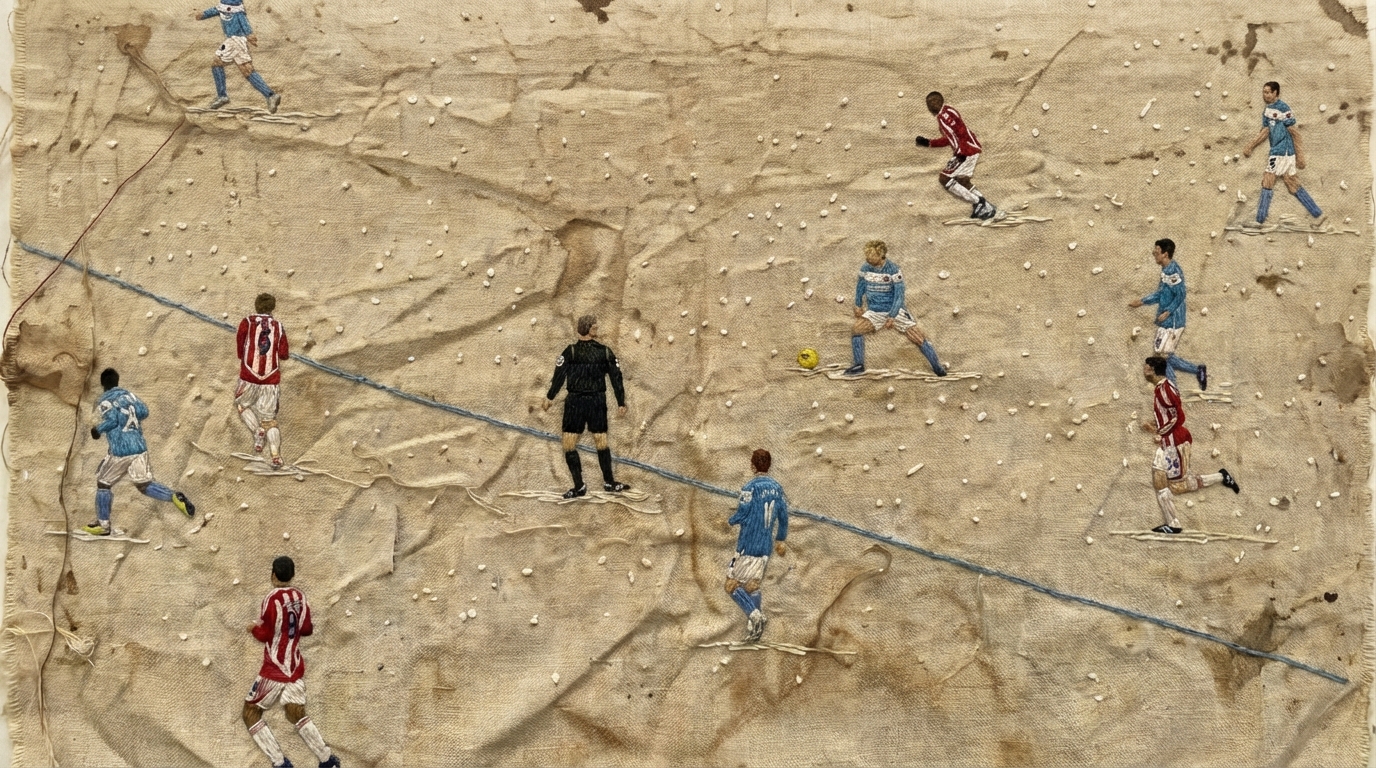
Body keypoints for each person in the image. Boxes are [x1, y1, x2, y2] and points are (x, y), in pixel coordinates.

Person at [243, 556, 341, 768]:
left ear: (273, 575)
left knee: (250, 713)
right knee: (295, 713)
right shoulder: (300, 596)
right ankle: (327, 760)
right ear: (293, 575)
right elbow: (307, 629)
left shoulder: (271, 599)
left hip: (274, 669)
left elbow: (266, 634)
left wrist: (253, 629)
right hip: (295, 666)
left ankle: (280, 763)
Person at [83, 368, 195, 536]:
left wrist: (98, 429)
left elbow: (112, 420)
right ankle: (173, 496)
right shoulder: (130, 396)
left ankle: (103, 525)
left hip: (121, 450)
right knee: (144, 485)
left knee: (103, 483)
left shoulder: (105, 400)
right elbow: (144, 412)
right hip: (139, 448)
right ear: (117, 380)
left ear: (103, 384)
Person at [1141, 357, 1240, 534]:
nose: (1144, 371)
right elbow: (1169, 417)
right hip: (1167, 442)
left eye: (1147, 368)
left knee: (1177, 486)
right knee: (1160, 481)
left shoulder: (1165, 390)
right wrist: (1155, 427)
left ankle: (1221, 477)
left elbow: (1178, 417)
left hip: (1175, 443)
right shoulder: (1162, 388)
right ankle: (1173, 524)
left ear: (1155, 370)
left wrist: (1159, 431)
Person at [542, 315, 630, 498]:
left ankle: (585, 485)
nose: (597, 329)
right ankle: (604, 483)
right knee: (595, 442)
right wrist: (620, 401)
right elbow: (616, 377)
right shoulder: (599, 352)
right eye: (595, 326)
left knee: (574, 443)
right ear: (589, 329)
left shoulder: (573, 351)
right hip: (590, 401)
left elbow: (559, 376)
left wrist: (550, 397)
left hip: (580, 402)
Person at [845, 240, 946, 378]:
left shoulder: (893, 270)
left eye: (871, 255)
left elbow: (899, 296)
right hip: (875, 311)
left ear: (881, 255)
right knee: (856, 329)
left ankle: (937, 367)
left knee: (917, 337)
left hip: (895, 310)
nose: (868, 258)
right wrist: (857, 304)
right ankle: (859, 365)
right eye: (867, 254)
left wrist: (892, 316)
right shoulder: (865, 268)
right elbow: (860, 286)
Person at [726, 449, 788, 643]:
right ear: (768, 466)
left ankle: (755, 615)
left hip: (747, 545)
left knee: (730, 585)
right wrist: (780, 539)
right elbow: (783, 517)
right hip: (764, 546)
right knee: (753, 586)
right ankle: (755, 630)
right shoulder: (777, 489)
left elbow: (743, 514)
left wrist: (729, 520)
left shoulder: (749, 488)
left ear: (753, 466)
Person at [1127, 239, 1207, 390]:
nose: (1153, 253)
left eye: (1156, 251)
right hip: (1165, 321)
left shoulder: (1173, 272)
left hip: (1174, 321)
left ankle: (1173, 389)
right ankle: (1196, 371)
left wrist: (1168, 311)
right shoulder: (1165, 270)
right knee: (1164, 356)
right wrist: (1142, 301)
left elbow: (1181, 294)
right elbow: (1160, 294)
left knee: (1162, 357)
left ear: (1165, 254)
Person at [1242, 81, 1322, 225]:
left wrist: (1300, 156)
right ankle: (1316, 212)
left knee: (1268, 179)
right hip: (1278, 151)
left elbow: (1295, 133)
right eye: (1263, 92)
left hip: (1283, 151)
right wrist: (1251, 145)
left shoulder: (1284, 109)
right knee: (1292, 183)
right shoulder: (1267, 111)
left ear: (1275, 93)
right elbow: (1265, 131)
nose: (1265, 95)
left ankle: (1260, 219)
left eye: (1268, 92)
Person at [915, 91, 998, 220]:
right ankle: (987, 207)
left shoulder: (946, 113)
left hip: (966, 150)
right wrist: (928, 143)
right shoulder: (941, 117)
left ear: (940, 101)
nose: (931, 106)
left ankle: (978, 202)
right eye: (928, 104)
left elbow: (961, 131)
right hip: (969, 149)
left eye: (933, 102)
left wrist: (962, 152)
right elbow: (948, 139)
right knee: (963, 181)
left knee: (944, 178)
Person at [192, 0, 282, 113]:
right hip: (238, 42)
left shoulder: (235, 8)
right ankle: (270, 95)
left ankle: (222, 96)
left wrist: (249, 33)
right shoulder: (224, 7)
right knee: (247, 70)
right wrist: (203, 15)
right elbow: (216, 10)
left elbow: (242, 19)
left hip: (234, 40)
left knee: (217, 62)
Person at [236, 293, 290, 467]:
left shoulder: (247, 322)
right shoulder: (279, 327)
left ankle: (257, 431)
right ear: (272, 308)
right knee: (270, 420)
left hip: (249, 376)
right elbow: (284, 354)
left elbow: (240, 347)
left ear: (256, 305)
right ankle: (276, 456)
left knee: (242, 405)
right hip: (271, 379)